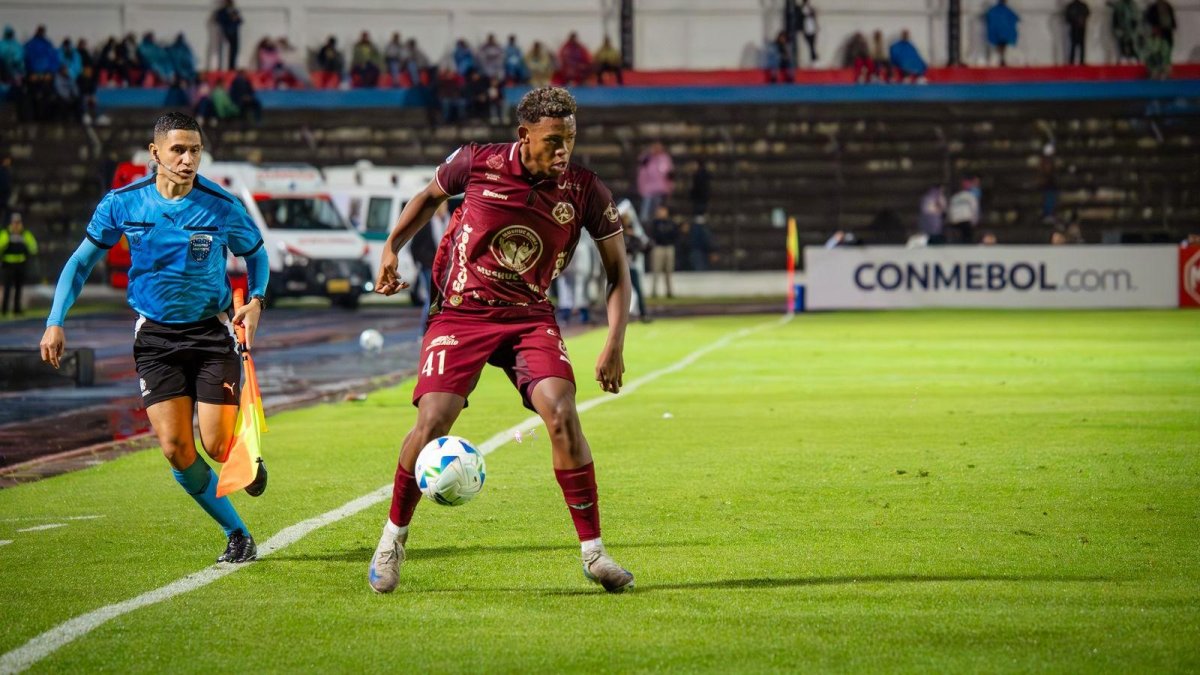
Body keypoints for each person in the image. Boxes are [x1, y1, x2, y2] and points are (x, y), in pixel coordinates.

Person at [368, 87, 635, 594]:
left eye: (571, 140)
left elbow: (617, 272)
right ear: (524, 135)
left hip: (529, 316)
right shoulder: (478, 161)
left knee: (561, 411)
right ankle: (392, 539)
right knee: (433, 420)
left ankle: (595, 553)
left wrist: (614, 342)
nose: (564, 152)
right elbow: (427, 197)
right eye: (553, 141)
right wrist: (391, 247)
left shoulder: (585, 190)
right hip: (460, 313)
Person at [39, 112, 269, 563]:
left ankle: (248, 458)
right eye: (178, 150)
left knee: (218, 446)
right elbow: (81, 262)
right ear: (155, 153)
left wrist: (256, 300)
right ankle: (237, 533)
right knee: (175, 449)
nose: (187, 160)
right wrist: (55, 319)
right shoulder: (122, 203)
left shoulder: (220, 205)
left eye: (195, 151)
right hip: (155, 339)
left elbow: (256, 255)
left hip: (210, 333)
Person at [1, 212, 37, 315]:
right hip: (8, 265)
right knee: (7, 288)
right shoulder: (6, 234)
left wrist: (26, 243)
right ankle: (4, 310)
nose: (16, 225)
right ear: (11, 223)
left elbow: (33, 247)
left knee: (18, 288)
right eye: (14, 222)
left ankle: (17, 309)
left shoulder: (25, 234)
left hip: (20, 265)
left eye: (18, 222)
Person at [636, 141, 673, 224]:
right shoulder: (646, 159)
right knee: (645, 215)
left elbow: (669, 175)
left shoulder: (664, 158)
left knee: (658, 215)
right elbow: (641, 174)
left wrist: (669, 188)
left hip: (661, 190)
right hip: (648, 191)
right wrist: (641, 188)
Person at [648, 203, 680, 298]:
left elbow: (675, 235)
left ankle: (669, 291)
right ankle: (654, 291)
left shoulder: (671, 223)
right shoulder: (655, 223)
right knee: (656, 270)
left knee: (669, 271)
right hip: (658, 247)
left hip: (669, 247)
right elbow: (653, 235)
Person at [986, 0, 1020, 66]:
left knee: (1001, 46)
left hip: (999, 33)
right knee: (1002, 46)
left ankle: (1001, 59)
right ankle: (1001, 59)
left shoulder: (996, 10)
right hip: (1002, 33)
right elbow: (1015, 17)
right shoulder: (1004, 10)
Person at [948, 178, 981, 244]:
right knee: (967, 238)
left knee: (959, 238)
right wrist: (975, 220)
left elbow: (950, 210)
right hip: (966, 219)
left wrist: (951, 220)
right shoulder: (970, 196)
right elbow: (974, 208)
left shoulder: (955, 197)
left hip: (955, 221)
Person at [1109, 0, 1141, 64]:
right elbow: (1115, 19)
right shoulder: (1119, 5)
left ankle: (1133, 57)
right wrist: (1117, 29)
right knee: (1122, 45)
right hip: (1121, 31)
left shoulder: (1133, 5)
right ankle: (1123, 57)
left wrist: (1134, 28)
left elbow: (1136, 18)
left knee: (1132, 44)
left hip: (1131, 31)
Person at [214, 0, 243, 70]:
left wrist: (235, 18)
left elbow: (240, 21)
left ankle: (232, 67)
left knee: (234, 50)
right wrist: (229, 19)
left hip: (234, 32)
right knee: (222, 51)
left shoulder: (235, 11)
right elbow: (218, 20)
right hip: (225, 32)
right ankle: (220, 67)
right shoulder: (221, 11)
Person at [1065, 0, 1091, 64]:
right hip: (1075, 27)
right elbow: (1067, 17)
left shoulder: (1072, 6)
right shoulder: (1075, 6)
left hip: (1079, 27)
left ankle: (1077, 61)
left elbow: (1087, 13)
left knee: (1079, 45)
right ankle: (1075, 61)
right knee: (1075, 45)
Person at [796, 0, 819, 64]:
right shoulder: (802, 9)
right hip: (806, 29)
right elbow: (801, 16)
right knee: (810, 44)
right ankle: (813, 56)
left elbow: (814, 16)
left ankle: (813, 56)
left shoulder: (810, 9)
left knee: (812, 43)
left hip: (811, 28)